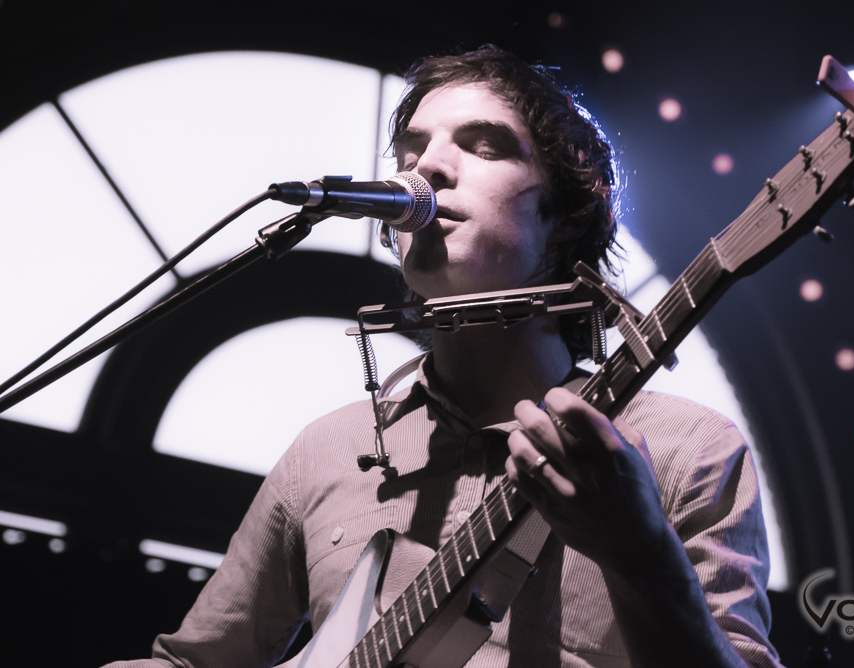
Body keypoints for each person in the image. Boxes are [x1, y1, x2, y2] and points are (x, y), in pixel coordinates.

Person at [104, 46, 781, 668]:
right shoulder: (326, 450)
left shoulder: (687, 451)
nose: (425, 168)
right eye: (411, 149)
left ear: (567, 214)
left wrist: (640, 554)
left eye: (484, 146)